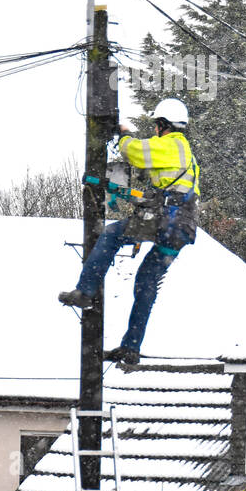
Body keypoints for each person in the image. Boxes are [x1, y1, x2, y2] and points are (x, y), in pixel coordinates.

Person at [58, 98, 200, 366]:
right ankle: (131, 348)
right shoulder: (185, 154)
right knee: (146, 281)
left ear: (162, 125)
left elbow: (135, 152)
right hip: (181, 229)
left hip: (166, 220)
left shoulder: (171, 144)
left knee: (111, 234)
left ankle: (85, 290)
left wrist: (123, 134)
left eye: (157, 126)